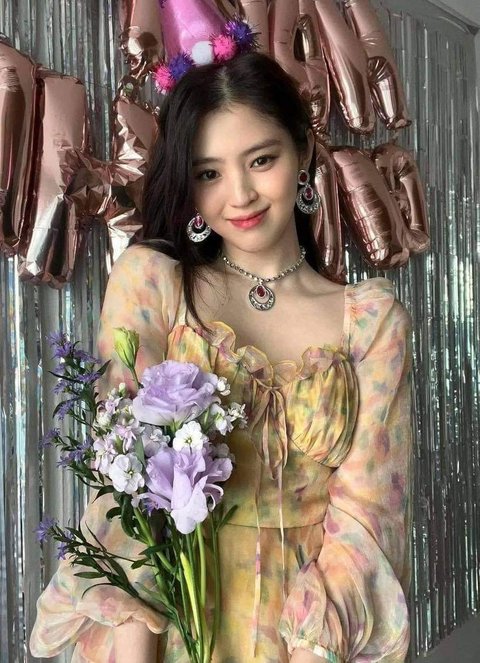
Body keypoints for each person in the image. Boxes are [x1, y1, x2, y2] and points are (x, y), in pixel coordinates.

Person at [30, 51, 413, 663]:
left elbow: (367, 519)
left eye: (262, 160)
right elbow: (126, 496)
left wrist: (312, 651)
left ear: (303, 151)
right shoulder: (154, 283)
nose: (240, 195)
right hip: (169, 633)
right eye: (208, 173)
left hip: (306, 643)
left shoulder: (370, 322)